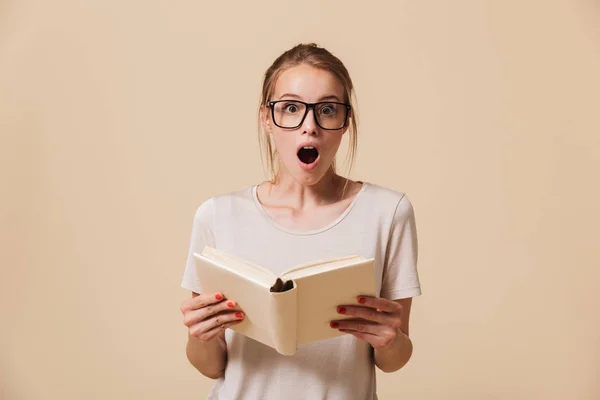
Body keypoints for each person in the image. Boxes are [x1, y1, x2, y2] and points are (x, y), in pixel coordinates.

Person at [179, 42, 421, 400]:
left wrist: (390, 339)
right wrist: (203, 335)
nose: (310, 126)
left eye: (327, 109)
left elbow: (393, 360)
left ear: (345, 121)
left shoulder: (388, 212)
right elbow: (210, 366)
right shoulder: (216, 216)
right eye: (291, 108)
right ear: (267, 118)